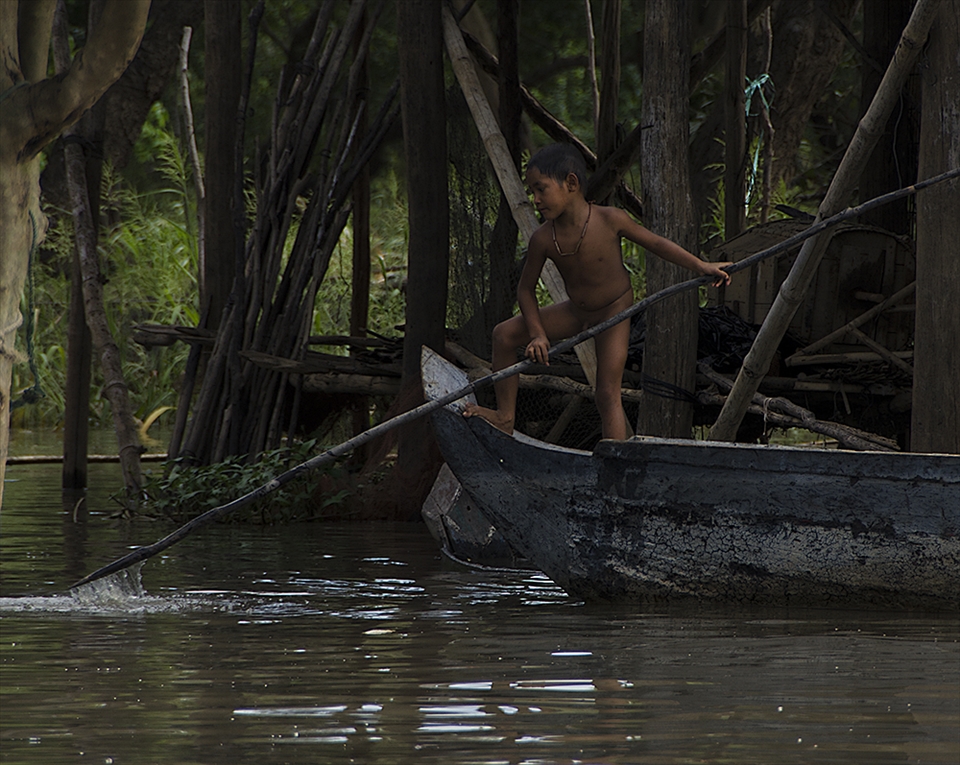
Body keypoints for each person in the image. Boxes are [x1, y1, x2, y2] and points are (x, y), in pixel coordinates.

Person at [463, 142, 732, 441]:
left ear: (571, 183)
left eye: (541, 189)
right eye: (532, 192)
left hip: (614, 311)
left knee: (606, 394)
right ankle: (505, 416)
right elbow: (525, 290)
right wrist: (538, 333)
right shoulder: (543, 238)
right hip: (577, 312)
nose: (536, 199)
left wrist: (701, 266)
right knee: (503, 334)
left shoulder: (609, 219)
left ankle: (613, 463)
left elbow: (656, 244)